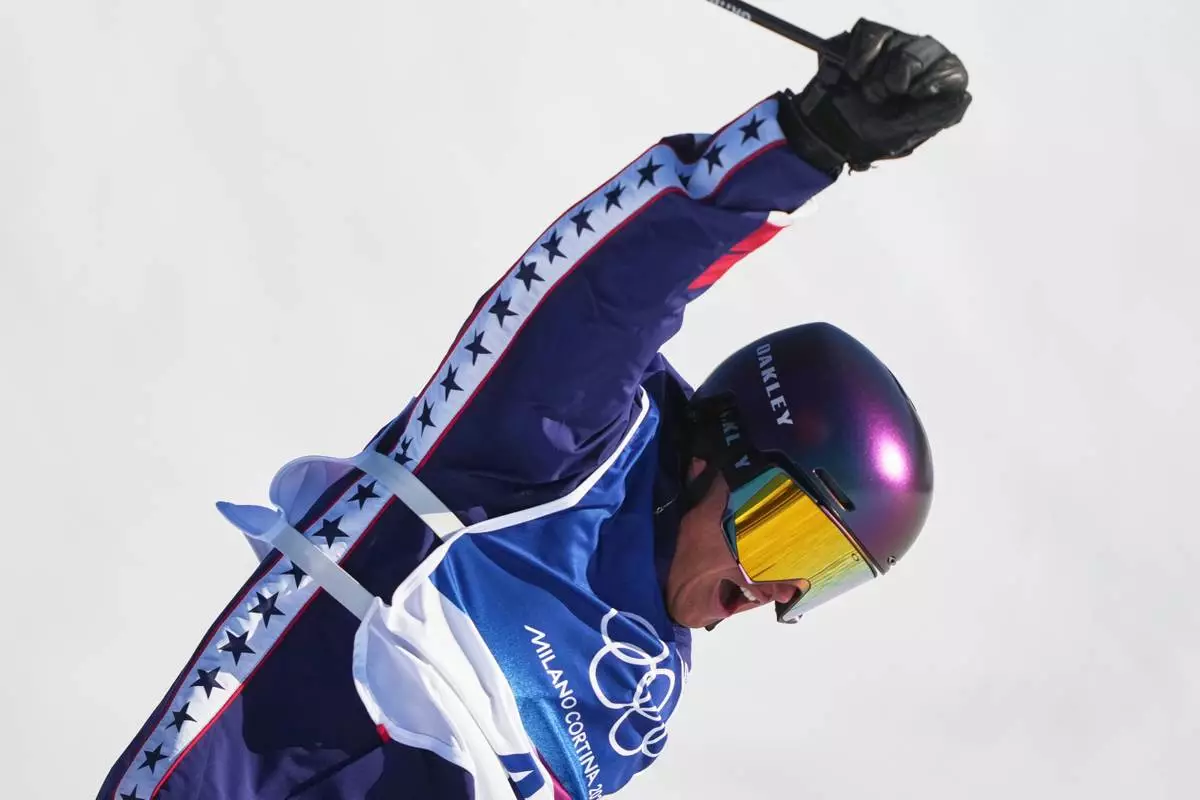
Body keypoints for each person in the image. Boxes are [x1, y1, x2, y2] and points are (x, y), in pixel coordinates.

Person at [98, 17, 970, 800]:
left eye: (817, 578)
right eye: (790, 537)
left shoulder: (644, 700)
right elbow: (609, 291)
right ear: (720, 453)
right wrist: (806, 142)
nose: (773, 592)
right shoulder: (561, 441)